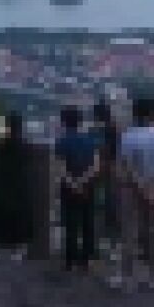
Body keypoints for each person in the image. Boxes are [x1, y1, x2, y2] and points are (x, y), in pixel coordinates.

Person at [118, 96, 154, 291]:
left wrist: (139, 184)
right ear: (150, 114)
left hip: (131, 189)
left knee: (129, 234)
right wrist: (151, 183)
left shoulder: (128, 136)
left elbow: (127, 166)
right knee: (153, 232)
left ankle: (128, 277)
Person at [54, 105, 100, 272]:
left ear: (64, 122)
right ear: (80, 121)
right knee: (88, 222)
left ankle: (70, 260)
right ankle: (87, 259)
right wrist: (82, 181)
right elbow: (96, 166)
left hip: (69, 187)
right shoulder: (90, 140)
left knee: (71, 223)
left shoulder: (61, 142)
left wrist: (73, 183)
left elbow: (61, 167)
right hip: (88, 186)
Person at [0, 112, 33, 261]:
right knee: (18, 215)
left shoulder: (1, 144)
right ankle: (18, 249)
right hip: (20, 184)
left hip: (2, 184)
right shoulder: (24, 145)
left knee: (1, 215)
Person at [92, 99, 122, 278]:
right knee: (111, 209)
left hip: (101, 173)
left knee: (100, 209)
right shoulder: (114, 129)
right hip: (110, 172)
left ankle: (99, 245)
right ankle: (112, 246)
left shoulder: (98, 131)